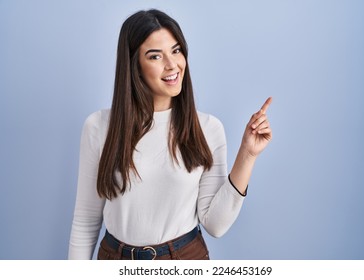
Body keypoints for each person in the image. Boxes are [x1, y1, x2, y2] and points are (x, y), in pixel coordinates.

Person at [68, 9, 272, 260]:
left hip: (184, 258)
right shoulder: (99, 127)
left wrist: (248, 155)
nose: (172, 64)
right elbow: (85, 223)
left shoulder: (207, 129)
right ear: (134, 66)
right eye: (155, 56)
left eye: (176, 51)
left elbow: (215, 225)